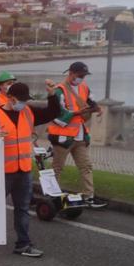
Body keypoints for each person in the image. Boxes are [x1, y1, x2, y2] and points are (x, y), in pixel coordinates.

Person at [0, 82, 59, 257]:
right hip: (2, 172)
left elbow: (53, 113)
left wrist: (52, 95)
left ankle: (23, 244)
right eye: (21, 100)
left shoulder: (27, 112)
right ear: (11, 99)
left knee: (22, 208)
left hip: (24, 170)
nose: (24, 104)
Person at [47, 61, 107, 209]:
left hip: (80, 136)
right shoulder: (59, 90)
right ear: (71, 73)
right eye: (80, 75)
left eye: (84, 76)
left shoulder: (84, 88)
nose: (82, 78)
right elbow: (55, 115)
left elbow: (89, 102)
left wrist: (96, 108)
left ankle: (89, 196)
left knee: (86, 166)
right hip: (63, 138)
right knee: (57, 168)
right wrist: (77, 113)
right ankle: (52, 197)